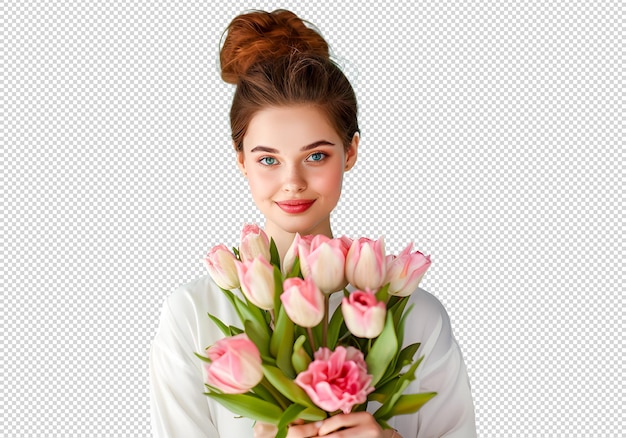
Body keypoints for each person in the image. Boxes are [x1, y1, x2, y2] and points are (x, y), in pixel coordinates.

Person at [150, 9, 476, 437]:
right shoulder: (194, 314)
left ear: (351, 151)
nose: (292, 182)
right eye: (268, 159)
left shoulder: (418, 316)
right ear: (241, 162)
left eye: (316, 156)